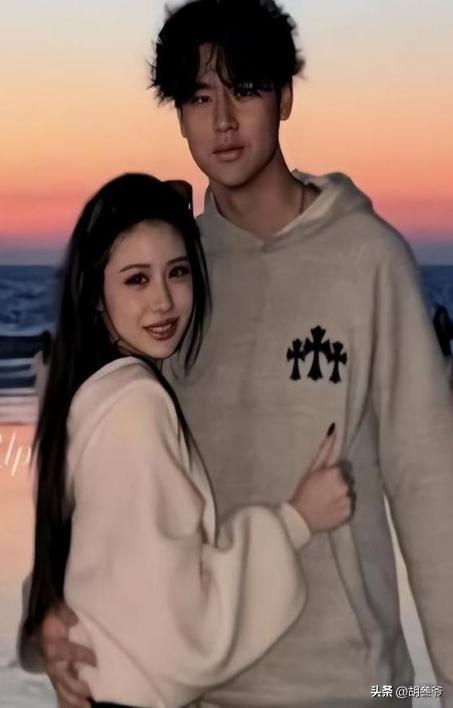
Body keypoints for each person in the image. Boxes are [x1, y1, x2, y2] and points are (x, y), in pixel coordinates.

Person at [21, 0, 453, 706]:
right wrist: (54, 614)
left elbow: (429, 482)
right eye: (198, 97)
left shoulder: (367, 260)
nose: (222, 121)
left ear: (284, 97)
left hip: (345, 681)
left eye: (245, 89)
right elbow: (104, 484)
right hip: (190, 685)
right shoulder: (173, 283)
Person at [20, 173, 354, 708]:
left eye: (177, 272)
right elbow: (180, 628)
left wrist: (45, 615)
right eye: (136, 280)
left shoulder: (90, 395)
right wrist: (296, 519)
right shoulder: (137, 405)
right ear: (96, 296)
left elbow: (91, 555)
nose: (163, 301)